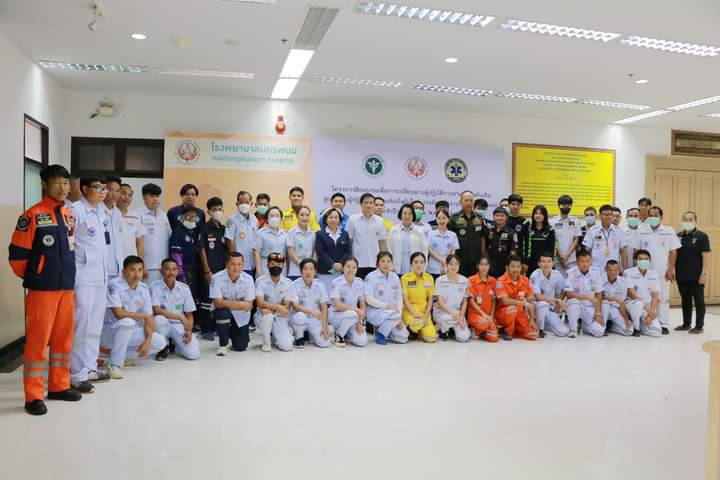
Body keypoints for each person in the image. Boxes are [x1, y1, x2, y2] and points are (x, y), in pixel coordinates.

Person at [8, 164, 81, 415]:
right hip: (42, 291)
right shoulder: (32, 216)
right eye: (57, 182)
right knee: (38, 343)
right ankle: (34, 395)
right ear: (44, 184)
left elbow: (71, 250)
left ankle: (59, 386)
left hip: (66, 288)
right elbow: (18, 257)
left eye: (66, 182)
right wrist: (37, 276)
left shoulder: (69, 215)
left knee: (63, 340)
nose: (63, 187)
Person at [70, 175, 111, 393]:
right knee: (81, 326)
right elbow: (69, 243)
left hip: (101, 278)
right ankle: (76, 374)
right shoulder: (76, 210)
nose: (103, 191)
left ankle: (89, 368)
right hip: (83, 277)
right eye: (98, 187)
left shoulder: (102, 211)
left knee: (95, 326)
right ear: (85, 189)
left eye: (104, 188)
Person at [104, 256, 167, 379]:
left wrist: (148, 340)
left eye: (140, 270)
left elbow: (149, 319)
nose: (137, 274)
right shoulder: (114, 285)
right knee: (127, 322)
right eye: (132, 270)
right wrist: (144, 316)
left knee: (160, 342)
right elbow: (118, 313)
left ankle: (117, 356)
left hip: (128, 332)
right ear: (123, 271)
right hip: (108, 333)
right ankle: (114, 365)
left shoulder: (144, 289)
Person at [634, 206, 679, 334]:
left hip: (662, 271)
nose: (653, 218)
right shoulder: (641, 230)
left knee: (663, 298)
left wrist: (670, 269)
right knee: (645, 297)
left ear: (661, 217)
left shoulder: (669, 231)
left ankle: (663, 323)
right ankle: (645, 321)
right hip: (644, 272)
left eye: (656, 215)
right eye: (651, 215)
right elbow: (636, 251)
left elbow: (673, 251)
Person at [151, 258, 201, 360]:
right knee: (159, 319)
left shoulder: (184, 288)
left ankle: (176, 345)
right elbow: (157, 310)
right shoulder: (154, 287)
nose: (171, 272)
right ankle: (163, 347)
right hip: (162, 325)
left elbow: (189, 314)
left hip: (178, 325)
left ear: (178, 271)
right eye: (167, 269)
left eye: (174, 269)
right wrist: (180, 317)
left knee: (193, 354)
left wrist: (189, 330)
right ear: (161, 271)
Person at [210, 252, 256, 355]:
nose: (236, 268)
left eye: (239, 264)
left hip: (241, 314)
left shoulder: (248, 279)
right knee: (222, 312)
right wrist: (240, 304)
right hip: (223, 312)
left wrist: (226, 302)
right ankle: (223, 344)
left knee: (241, 346)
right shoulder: (216, 278)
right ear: (226, 264)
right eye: (232, 264)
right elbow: (217, 303)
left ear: (243, 265)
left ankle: (232, 333)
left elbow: (249, 305)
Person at [675, 211, 710, 334]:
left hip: (696, 275)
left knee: (699, 301)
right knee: (685, 301)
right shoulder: (678, 236)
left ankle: (699, 326)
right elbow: (674, 254)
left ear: (695, 221)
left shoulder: (702, 236)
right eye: (685, 219)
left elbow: (705, 257)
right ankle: (686, 324)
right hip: (681, 274)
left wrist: (704, 273)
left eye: (690, 219)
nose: (687, 222)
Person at [364, 251, 410, 345]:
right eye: (383, 261)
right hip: (375, 311)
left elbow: (399, 298)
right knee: (394, 316)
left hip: (393, 313)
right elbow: (369, 299)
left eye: (389, 261)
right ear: (377, 263)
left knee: (403, 337)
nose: (386, 264)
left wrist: (399, 316)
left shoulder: (395, 277)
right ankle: (380, 333)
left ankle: (386, 329)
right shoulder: (371, 277)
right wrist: (387, 306)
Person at [255, 253, 297, 352]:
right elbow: (260, 303)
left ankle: (281, 333)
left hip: (280, 316)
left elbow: (286, 307)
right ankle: (266, 342)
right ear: (267, 265)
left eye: (279, 264)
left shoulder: (288, 283)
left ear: (283, 266)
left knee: (287, 347)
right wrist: (278, 307)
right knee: (267, 315)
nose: (276, 267)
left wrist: (271, 308)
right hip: (262, 316)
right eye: (273, 264)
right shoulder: (260, 281)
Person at [197, 197, 226, 340]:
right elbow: (201, 250)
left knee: (218, 300)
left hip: (222, 271)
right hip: (209, 271)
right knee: (206, 302)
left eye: (220, 209)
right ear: (208, 211)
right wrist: (207, 270)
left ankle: (216, 327)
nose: (217, 212)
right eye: (214, 210)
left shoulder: (224, 229)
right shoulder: (203, 228)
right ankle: (206, 329)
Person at [169, 207, 201, 327]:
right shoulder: (178, 232)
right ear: (182, 218)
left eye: (194, 218)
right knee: (182, 298)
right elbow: (175, 253)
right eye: (188, 217)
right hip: (183, 270)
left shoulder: (193, 232)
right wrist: (180, 273)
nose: (191, 220)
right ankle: (181, 323)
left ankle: (192, 323)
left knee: (192, 297)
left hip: (194, 268)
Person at [494, 255, 538, 341]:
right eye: (513, 266)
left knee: (533, 335)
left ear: (521, 268)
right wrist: (524, 303)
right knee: (512, 308)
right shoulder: (500, 281)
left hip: (519, 314)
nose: (516, 269)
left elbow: (530, 301)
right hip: (504, 314)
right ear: (507, 268)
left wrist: (532, 320)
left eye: (518, 266)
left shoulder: (525, 280)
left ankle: (516, 329)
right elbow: (505, 301)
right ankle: (507, 331)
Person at [290, 259, 331, 349]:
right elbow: (296, 306)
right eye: (305, 269)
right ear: (301, 271)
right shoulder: (295, 285)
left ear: (315, 271)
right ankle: (299, 337)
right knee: (300, 316)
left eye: (311, 269)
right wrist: (312, 312)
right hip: (299, 318)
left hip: (314, 319)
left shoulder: (320, 285)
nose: (308, 272)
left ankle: (311, 334)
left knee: (325, 343)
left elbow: (324, 307)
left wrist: (325, 327)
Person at [329, 257, 369, 347]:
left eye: (354, 267)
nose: (351, 269)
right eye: (348, 266)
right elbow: (338, 305)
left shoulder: (360, 282)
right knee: (352, 314)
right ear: (343, 268)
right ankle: (339, 335)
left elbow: (363, 305)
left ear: (357, 269)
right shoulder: (336, 282)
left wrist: (360, 322)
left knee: (362, 342)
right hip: (337, 315)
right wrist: (356, 310)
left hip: (353, 317)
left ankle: (345, 332)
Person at [564, 250, 604, 338]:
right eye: (582, 261)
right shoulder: (571, 273)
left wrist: (598, 313)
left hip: (589, 306)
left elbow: (599, 294)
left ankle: (585, 326)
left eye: (587, 261)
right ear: (577, 262)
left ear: (591, 261)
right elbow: (569, 294)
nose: (585, 264)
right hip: (575, 305)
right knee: (574, 302)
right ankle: (573, 330)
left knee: (599, 332)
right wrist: (588, 297)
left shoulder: (596, 272)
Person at [346, 192, 387, 279]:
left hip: (375, 262)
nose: (368, 205)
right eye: (366, 202)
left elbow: (382, 243)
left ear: (374, 205)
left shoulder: (380, 221)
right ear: (361, 204)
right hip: (357, 263)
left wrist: (384, 261)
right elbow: (348, 241)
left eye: (371, 203)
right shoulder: (352, 219)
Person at [529, 253, 570, 338]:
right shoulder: (535, 275)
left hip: (550, 309)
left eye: (548, 261)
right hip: (536, 308)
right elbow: (538, 297)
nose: (546, 264)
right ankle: (539, 329)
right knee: (543, 304)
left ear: (553, 263)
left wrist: (558, 306)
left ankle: (545, 324)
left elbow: (563, 290)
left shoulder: (557, 274)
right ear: (539, 264)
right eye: (543, 261)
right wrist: (557, 300)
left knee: (563, 332)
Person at [623, 250, 662, 337]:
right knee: (639, 304)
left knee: (657, 332)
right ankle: (636, 328)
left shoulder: (654, 274)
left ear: (650, 260)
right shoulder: (628, 273)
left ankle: (642, 324)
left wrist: (651, 314)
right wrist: (649, 311)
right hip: (632, 304)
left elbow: (655, 295)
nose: (643, 261)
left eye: (646, 259)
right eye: (640, 259)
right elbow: (632, 293)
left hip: (647, 307)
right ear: (636, 261)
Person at [432, 254, 471, 342]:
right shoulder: (440, 280)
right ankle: (443, 329)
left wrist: (461, 316)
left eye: (456, 264)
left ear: (459, 265)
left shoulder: (464, 281)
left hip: (458, 313)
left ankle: (445, 329)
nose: (454, 266)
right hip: (442, 312)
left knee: (463, 338)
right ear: (446, 265)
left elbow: (465, 302)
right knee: (446, 319)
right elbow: (441, 302)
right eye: (451, 264)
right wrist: (455, 315)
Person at [449, 191, 487, 277]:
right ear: (460, 202)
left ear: (474, 202)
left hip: (476, 258)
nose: (468, 203)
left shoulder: (480, 218)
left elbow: (482, 237)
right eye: (466, 200)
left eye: (471, 200)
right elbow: (450, 239)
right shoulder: (454, 218)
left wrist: (483, 256)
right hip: (459, 259)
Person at [401, 252, 437, 343]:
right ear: (411, 264)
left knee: (431, 338)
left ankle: (418, 332)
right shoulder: (405, 278)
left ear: (425, 264)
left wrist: (426, 315)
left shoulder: (429, 278)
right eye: (416, 262)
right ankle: (412, 328)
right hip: (410, 311)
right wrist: (415, 313)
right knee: (415, 324)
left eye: (421, 262)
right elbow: (405, 299)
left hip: (424, 312)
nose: (419, 265)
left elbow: (430, 300)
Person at [140, 183, 171, 283]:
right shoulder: (138, 214)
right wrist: (141, 265)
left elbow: (169, 237)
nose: (155, 199)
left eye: (157, 196)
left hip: (164, 266)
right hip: (147, 266)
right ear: (144, 197)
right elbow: (137, 243)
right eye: (152, 196)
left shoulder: (163, 215)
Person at [582, 204, 628, 272]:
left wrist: (625, 270)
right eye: (605, 215)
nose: (608, 217)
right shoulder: (592, 231)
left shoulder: (618, 231)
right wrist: (586, 268)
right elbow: (587, 251)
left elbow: (623, 251)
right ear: (600, 216)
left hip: (613, 270)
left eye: (610, 215)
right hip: (596, 269)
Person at [315, 208, 352, 292]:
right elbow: (320, 251)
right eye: (330, 217)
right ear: (326, 219)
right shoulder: (320, 234)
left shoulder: (345, 234)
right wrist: (333, 264)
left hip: (341, 271)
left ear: (340, 220)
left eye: (336, 217)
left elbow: (348, 251)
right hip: (325, 271)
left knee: (340, 294)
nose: (333, 220)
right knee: (325, 295)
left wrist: (340, 264)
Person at [387, 203, 429, 275]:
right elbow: (389, 249)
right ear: (400, 215)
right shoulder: (393, 230)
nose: (407, 216)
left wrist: (423, 268)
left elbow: (424, 250)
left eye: (410, 214)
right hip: (396, 270)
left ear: (413, 216)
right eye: (405, 213)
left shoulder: (420, 231)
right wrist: (390, 266)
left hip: (415, 270)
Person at [225, 191, 258, 277]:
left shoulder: (254, 219)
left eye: (247, 202)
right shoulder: (231, 220)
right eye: (241, 202)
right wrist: (235, 261)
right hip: (239, 265)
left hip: (253, 263)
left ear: (251, 203)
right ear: (237, 204)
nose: (244, 205)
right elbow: (229, 240)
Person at [466, 257, 499, 342]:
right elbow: (471, 301)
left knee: (493, 338)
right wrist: (484, 315)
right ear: (477, 266)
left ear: (489, 266)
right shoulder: (471, 280)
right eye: (481, 264)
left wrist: (491, 316)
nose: (484, 267)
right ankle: (475, 329)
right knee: (485, 323)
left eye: (486, 264)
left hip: (488, 316)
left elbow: (494, 300)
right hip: (475, 315)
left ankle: (481, 332)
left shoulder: (493, 281)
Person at [550, 195, 582, 277]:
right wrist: (561, 257)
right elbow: (553, 240)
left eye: (568, 205)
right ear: (559, 206)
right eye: (563, 204)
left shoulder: (575, 221)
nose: (566, 207)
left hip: (571, 260)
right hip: (558, 261)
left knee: (572, 282)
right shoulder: (552, 221)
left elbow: (576, 239)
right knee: (559, 283)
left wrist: (567, 255)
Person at [601, 260, 634, 336]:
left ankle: (611, 326)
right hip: (603, 309)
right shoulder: (600, 280)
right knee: (605, 305)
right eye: (610, 270)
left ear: (619, 270)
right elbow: (598, 297)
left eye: (615, 270)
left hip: (616, 309)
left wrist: (626, 318)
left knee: (629, 331)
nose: (613, 273)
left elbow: (621, 303)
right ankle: (604, 326)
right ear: (605, 269)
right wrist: (613, 298)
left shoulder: (623, 282)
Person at [521, 205, 555, 276]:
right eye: (536, 213)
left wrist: (549, 262)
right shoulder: (528, 228)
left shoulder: (550, 230)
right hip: (530, 263)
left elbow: (552, 248)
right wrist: (525, 262)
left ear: (545, 216)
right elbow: (524, 246)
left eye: (540, 213)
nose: (538, 215)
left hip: (544, 263)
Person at [102, 176, 124, 282]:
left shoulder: (118, 213)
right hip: (102, 267)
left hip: (117, 267)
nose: (114, 194)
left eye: (117, 191)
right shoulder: (97, 211)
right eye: (110, 190)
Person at [254, 206, 287, 277]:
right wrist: (258, 271)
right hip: (265, 268)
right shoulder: (261, 233)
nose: (274, 218)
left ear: (281, 219)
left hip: (281, 268)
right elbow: (257, 252)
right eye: (272, 216)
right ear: (267, 219)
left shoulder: (285, 234)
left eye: (277, 216)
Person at [427, 208, 459, 279]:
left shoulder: (453, 235)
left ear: (448, 219)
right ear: (436, 219)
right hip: (432, 269)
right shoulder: (431, 233)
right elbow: (429, 250)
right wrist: (442, 260)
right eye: (439, 218)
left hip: (448, 268)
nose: (441, 220)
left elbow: (453, 252)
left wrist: (446, 262)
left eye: (444, 218)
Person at [287, 206, 317, 280]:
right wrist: (302, 264)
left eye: (307, 215)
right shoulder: (291, 232)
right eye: (302, 215)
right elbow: (290, 252)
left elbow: (314, 251)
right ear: (297, 216)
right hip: (295, 269)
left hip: (310, 270)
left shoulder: (312, 233)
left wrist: (312, 265)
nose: (305, 217)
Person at [487, 207, 518, 278]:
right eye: (497, 215)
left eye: (502, 216)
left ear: (506, 217)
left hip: (504, 268)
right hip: (490, 267)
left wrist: (510, 267)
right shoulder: (489, 231)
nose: (499, 218)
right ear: (493, 217)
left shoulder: (511, 233)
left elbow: (513, 252)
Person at [117, 183, 145, 259]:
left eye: (130, 195)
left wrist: (140, 260)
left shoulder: (136, 216)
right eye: (123, 193)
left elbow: (140, 242)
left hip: (131, 261)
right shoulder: (108, 214)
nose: (127, 197)